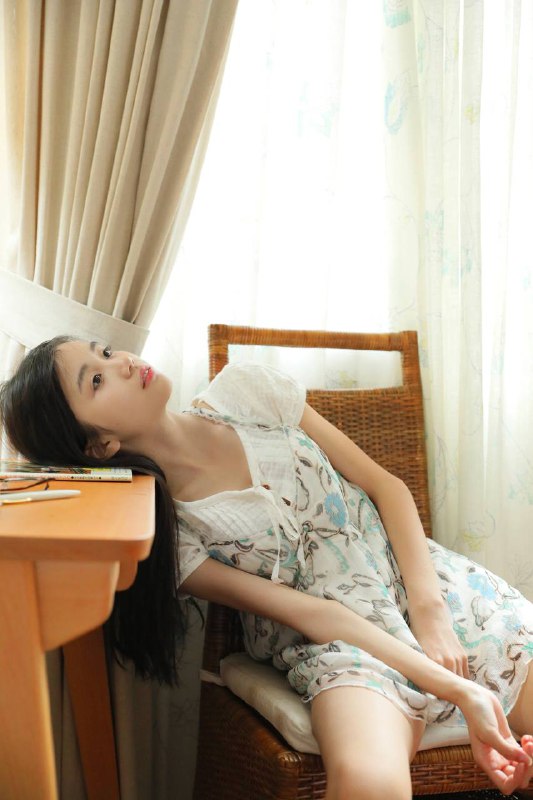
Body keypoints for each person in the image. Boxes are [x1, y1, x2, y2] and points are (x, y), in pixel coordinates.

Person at [1, 336, 533, 800]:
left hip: (436, 589)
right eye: (96, 379)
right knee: (370, 784)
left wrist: (430, 611)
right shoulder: (172, 534)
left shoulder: (247, 390)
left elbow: (387, 487)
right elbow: (320, 616)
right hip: (340, 646)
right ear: (100, 445)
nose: (121, 362)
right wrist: (460, 689)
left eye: (105, 351)